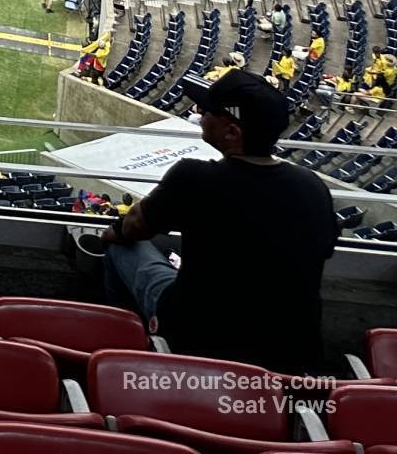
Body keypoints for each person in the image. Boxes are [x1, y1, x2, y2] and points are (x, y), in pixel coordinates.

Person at [98, 68, 337, 374]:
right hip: (291, 358)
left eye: (207, 110)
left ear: (232, 132)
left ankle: (131, 357)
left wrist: (111, 232)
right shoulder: (314, 187)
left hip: (200, 342)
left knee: (120, 248)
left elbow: (132, 227)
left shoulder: (195, 177)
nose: (199, 112)